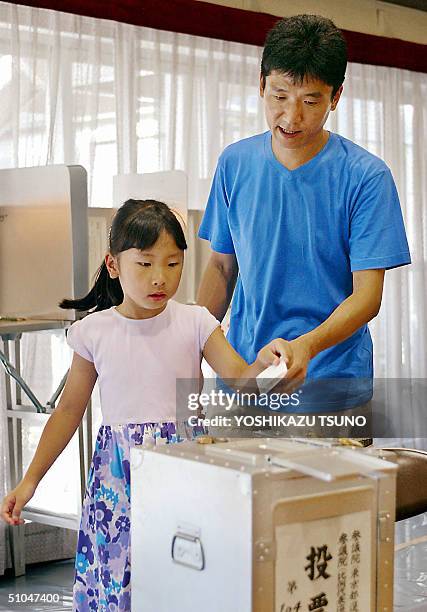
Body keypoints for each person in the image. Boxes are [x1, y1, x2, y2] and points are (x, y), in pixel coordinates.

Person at [0, 199, 288, 611]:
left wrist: (264, 362)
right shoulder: (93, 332)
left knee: (190, 575)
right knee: (121, 581)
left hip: (188, 467)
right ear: (114, 265)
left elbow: (242, 381)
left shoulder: (196, 322)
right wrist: (29, 482)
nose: (161, 278)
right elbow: (68, 412)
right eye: (146, 263)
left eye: (173, 264)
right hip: (119, 479)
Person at [197, 14, 411, 413]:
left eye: (310, 101)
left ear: (335, 97)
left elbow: (367, 297)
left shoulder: (366, 177)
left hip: (331, 387)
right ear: (261, 85)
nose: (291, 117)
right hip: (245, 384)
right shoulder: (235, 163)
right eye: (279, 96)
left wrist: (306, 347)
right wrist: (192, 339)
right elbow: (222, 269)